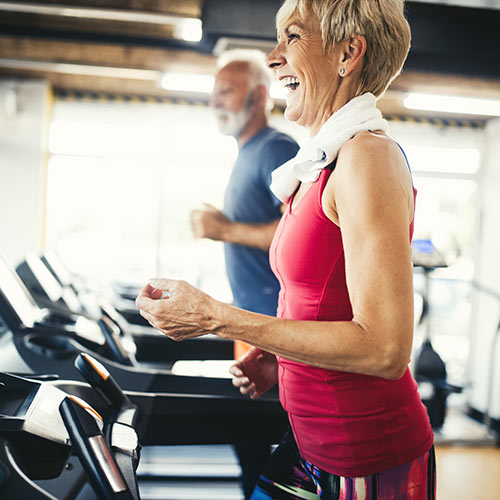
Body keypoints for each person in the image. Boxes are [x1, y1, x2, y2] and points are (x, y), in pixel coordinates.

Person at [136, 1, 435, 498]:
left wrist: (217, 317)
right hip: (306, 441)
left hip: (365, 452)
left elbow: (385, 348)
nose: (274, 57)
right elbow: (325, 302)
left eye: (292, 37)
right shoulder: (322, 163)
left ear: (349, 53)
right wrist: (281, 358)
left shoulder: (367, 159)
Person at [190, 51, 299, 499]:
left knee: (264, 452)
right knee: (248, 445)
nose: (216, 102)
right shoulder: (247, 152)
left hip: (275, 331)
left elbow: (301, 232)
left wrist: (225, 228)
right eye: (213, 94)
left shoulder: (276, 148)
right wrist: (224, 224)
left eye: (226, 92)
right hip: (250, 322)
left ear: (258, 95)